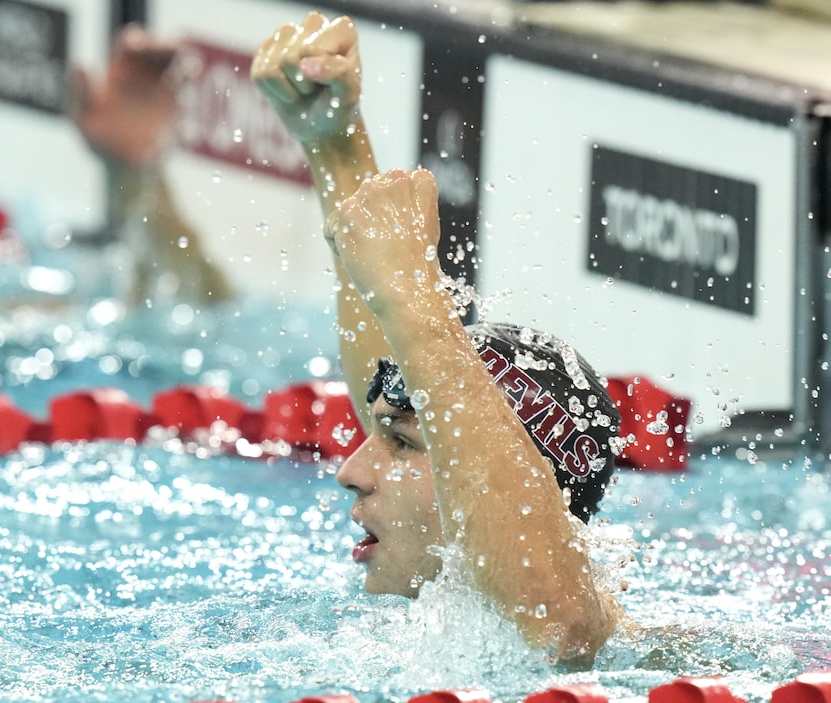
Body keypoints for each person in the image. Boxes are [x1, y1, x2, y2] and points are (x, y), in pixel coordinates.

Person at [251, 12, 623, 663]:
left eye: (399, 441)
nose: (348, 471)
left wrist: (420, 301)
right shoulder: (452, 625)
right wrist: (334, 144)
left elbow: (558, 624)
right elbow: (416, 381)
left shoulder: (579, 642)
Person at [69, 24, 234, 307]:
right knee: (164, 250)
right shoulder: (113, 120)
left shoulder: (113, 120)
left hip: (134, 167)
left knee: (158, 252)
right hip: (131, 167)